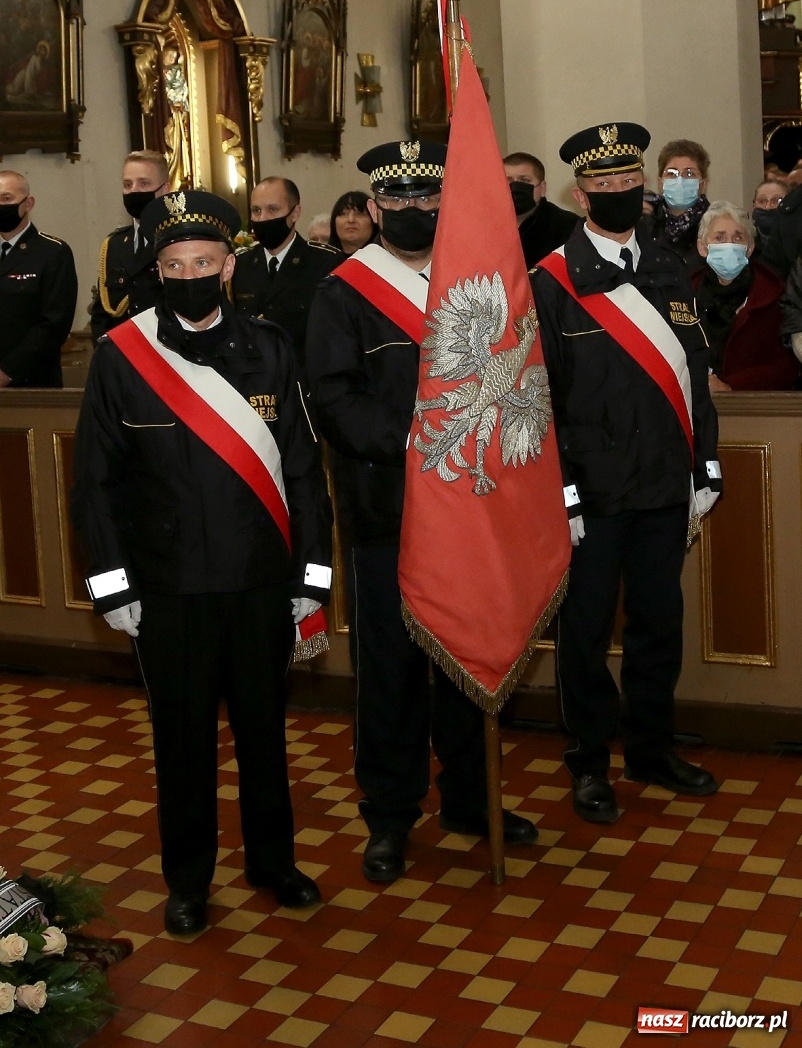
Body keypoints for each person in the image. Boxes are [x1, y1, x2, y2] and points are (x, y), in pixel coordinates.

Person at [71, 190, 332, 935]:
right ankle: (188, 880)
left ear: (227, 269)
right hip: (168, 586)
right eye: (174, 263)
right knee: (182, 740)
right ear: (158, 270)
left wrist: (310, 577)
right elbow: (95, 482)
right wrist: (113, 585)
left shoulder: (271, 346)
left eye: (204, 262)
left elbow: (303, 471)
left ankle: (272, 862)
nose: (190, 273)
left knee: (263, 732)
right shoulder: (123, 355)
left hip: (258, 582)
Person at [307, 140, 537, 886]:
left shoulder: (481, 281)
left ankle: (472, 799)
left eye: (428, 200)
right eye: (398, 201)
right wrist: (421, 440)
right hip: (388, 513)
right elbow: (334, 396)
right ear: (374, 209)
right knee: (392, 671)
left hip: (474, 508)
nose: (414, 211)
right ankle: (391, 816)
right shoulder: (343, 291)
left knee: (472, 657)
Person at [531, 122, 722, 825]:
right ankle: (588, 763)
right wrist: (565, 492)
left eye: (628, 182)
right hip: (593, 493)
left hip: (663, 485)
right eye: (603, 185)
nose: (618, 192)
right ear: (581, 194)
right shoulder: (549, 281)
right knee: (584, 634)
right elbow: (539, 398)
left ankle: (650, 747)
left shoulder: (669, 266)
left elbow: (693, 372)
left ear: (642, 186)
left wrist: (705, 464)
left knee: (657, 624)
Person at [232, 176, 342, 375]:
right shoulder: (239, 265)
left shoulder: (325, 262)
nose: (263, 218)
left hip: (306, 380)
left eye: (273, 209)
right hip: (253, 381)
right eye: (256, 210)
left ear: (295, 213)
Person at [693, 201, 798, 392]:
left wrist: (731, 385)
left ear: (749, 248)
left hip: (752, 410)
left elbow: (787, 365)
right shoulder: (684, 293)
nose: (729, 245)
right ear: (702, 247)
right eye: (719, 237)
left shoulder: (773, 295)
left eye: (738, 237)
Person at [0, 169, 77, 388]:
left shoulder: (52, 252)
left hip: (31, 383)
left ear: (28, 203)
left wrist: (7, 372)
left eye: (7, 198)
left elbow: (54, 324)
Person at [89, 150, 171, 344]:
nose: (134, 191)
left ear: (165, 189)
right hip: (122, 357)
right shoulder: (114, 245)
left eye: (144, 184)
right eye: (128, 185)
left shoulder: (181, 241)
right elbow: (102, 314)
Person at [641, 138, 711, 274]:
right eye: (672, 173)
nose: (680, 180)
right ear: (660, 182)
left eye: (689, 173)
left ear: (703, 184)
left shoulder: (714, 224)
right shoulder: (646, 222)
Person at [502, 151, 579, 269]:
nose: (515, 187)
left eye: (524, 180)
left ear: (542, 188)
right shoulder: (486, 227)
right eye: (509, 181)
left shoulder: (569, 226)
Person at [328, 190, 379, 255]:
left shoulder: (384, 259)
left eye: (359, 214)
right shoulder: (324, 261)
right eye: (344, 214)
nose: (351, 220)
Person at [752, 178, 789, 260]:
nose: (768, 207)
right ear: (754, 206)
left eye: (776, 200)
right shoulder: (747, 243)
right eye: (762, 201)